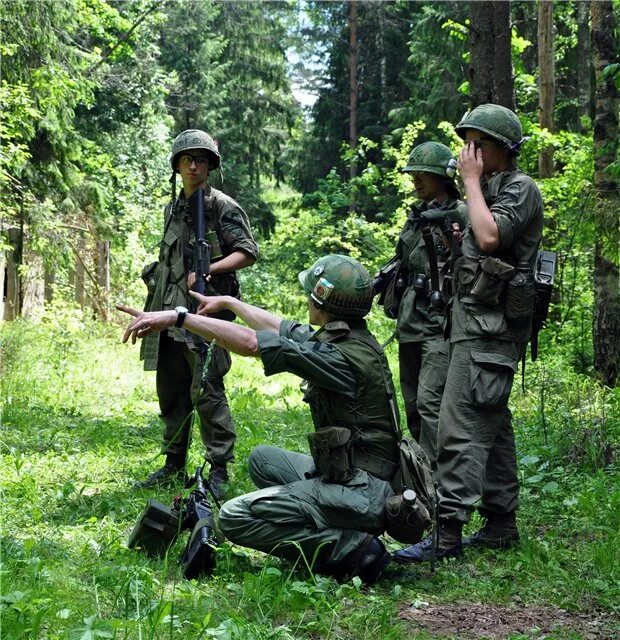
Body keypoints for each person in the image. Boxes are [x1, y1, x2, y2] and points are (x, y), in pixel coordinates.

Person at [118, 254, 401, 583]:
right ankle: (321, 514)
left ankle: (351, 548)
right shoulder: (348, 338)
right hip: (355, 475)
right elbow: (280, 328)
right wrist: (229, 302)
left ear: (322, 300)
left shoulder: (338, 356)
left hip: (362, 492)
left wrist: (179, 318)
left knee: (233, 516)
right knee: (262, 460)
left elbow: (254, 343)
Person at [394, 104, 543, 563]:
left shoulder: (519, 189)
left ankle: (446, 534)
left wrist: (472, 183)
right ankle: (501, 523)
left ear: (503, 148)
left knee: (458, 428)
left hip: (490, 332)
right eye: (467, 142)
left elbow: (491, 236)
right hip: (473, 327)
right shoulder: (492, 188)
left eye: (479, 142)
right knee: (493, 427)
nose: (469, 152)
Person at [135, 129, 258, 495]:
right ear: (177, 165)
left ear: (209, 166)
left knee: (207, 390)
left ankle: (219, 470)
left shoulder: (222, 206)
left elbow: (247, 252)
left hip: (206, 312)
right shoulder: (172, 208)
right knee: (171, 390)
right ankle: (173, 463)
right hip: (168, 310)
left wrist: (212, 269)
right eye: (187, 159)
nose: (193, 166)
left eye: (200, 160)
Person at [395, 142, 467, 467]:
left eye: (424, 174)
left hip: (440, 322)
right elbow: (404, 260)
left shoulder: (461, 214)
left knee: (430, 402)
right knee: (412, 401)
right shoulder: (417, 216)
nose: (416, 180)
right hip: (410, 319)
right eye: (414, 174)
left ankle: (438, 483)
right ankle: (423, 471)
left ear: (443, 176)